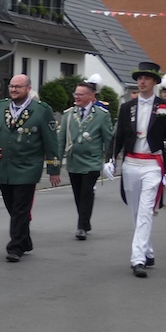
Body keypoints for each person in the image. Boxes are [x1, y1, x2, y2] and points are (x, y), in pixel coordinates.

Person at [104, 61, 166, 278]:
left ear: (154, 81)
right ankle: (148, 250)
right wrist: (110, 159)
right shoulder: (127, 107)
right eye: (139, 78)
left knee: (146, 210)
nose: (142, 82)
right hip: (131, 163)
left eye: (146, 78)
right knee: (136, 211)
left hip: (152, 164)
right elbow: (118, 136)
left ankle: (137, 259)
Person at [0, 74, 61, 262]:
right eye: (11, 86)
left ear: (28, 88)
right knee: (12, 207)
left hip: (28, 167)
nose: (13, 90)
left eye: (18, 87)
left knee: (20, 208)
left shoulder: (41, 110)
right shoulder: (1, 107)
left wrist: (53, 169)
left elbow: (51, 142)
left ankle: (15, 247)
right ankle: (25, 239)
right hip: (4, 167)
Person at [57, 76, 113, 240]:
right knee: (77, 194)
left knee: (86, 193)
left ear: (91, 96)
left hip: (92, 162)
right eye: (76, 94)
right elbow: (61, 140)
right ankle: (85, 221)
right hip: (74, 161)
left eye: (81, 94)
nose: (77, 97)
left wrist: (110, 160)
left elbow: (109, 139)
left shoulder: (101, 115)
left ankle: (81, 226)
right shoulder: (69, 114)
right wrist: (56, 163)